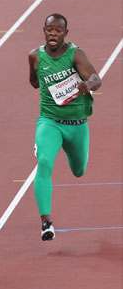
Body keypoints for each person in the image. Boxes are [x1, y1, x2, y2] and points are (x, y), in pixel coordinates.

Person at [28, 13, 102, 240]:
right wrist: (50, 84)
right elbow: (33, 81)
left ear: (65, 34)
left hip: (77, 124)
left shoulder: (75, 55)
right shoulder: (35, 56)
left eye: (57, 30)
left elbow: (96, 79)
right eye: (49, 29)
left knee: (79, 171)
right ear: (44, 30)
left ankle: (73, 153)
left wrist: (85, 84)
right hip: (50, 122)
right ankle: (46, 222)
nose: (52, 33)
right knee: (44, 162)